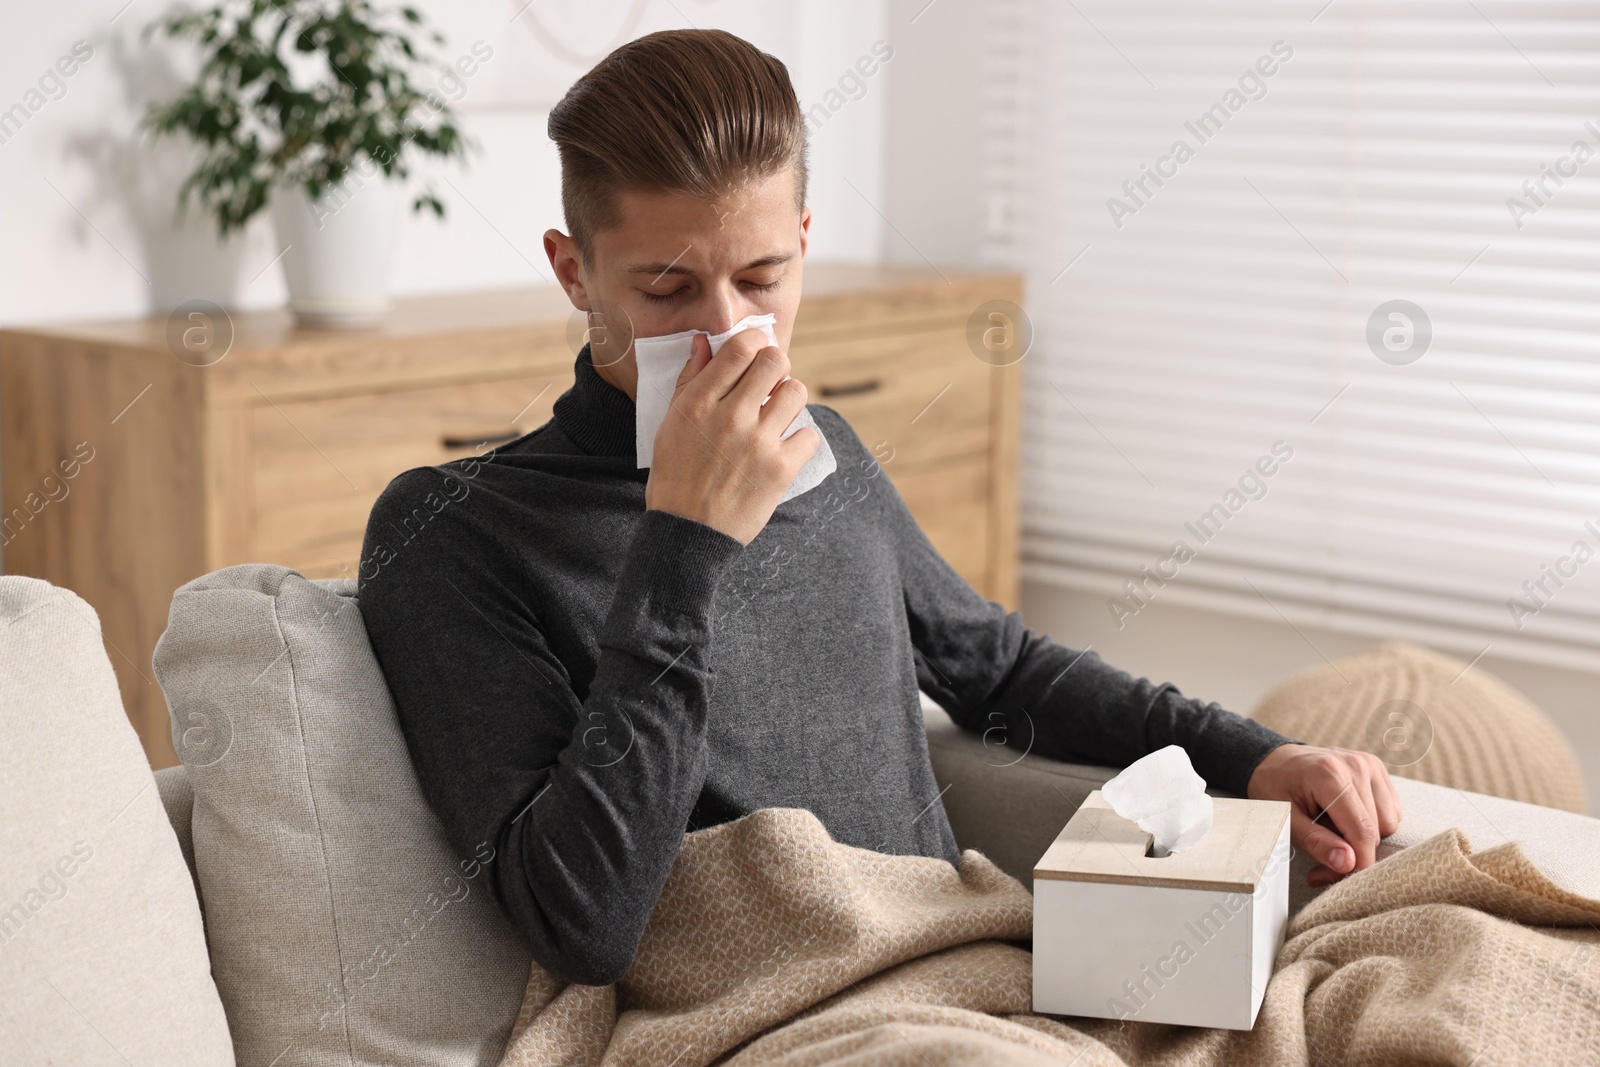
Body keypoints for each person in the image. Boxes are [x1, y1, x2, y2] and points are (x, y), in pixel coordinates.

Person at [357, 28, 1400, 987]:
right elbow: (581, 920)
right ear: (574, 271)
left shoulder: (829, 455)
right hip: (774, 1013)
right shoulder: (453, 532)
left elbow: (999, 668)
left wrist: (1255, 754)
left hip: (962, 964)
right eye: (669, 293)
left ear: (804, 242)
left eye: (762, 277)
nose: (729, 337)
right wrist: (684, 541)